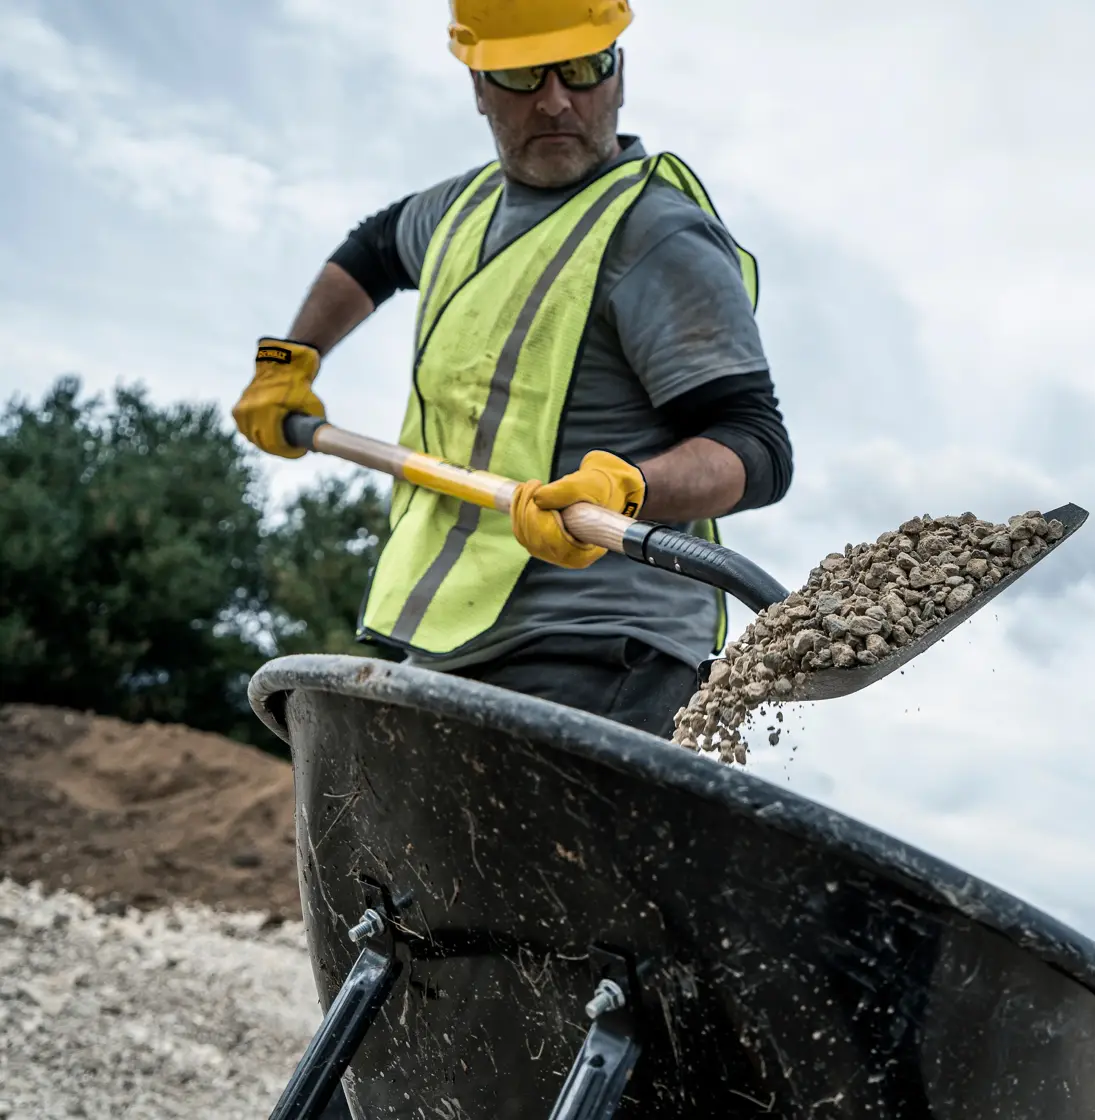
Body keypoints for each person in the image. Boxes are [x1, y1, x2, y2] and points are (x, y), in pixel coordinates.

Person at [232, 0, 792, 744]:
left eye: (584, 68)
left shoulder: (655, 234)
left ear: (619, 71)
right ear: (477, 84)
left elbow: (756, 446)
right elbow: (371, 250)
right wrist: (288, 360)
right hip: (445, 642)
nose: (558, 99)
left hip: (601, 652)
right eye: (525, 73)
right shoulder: (460, 211)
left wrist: (628, 490)